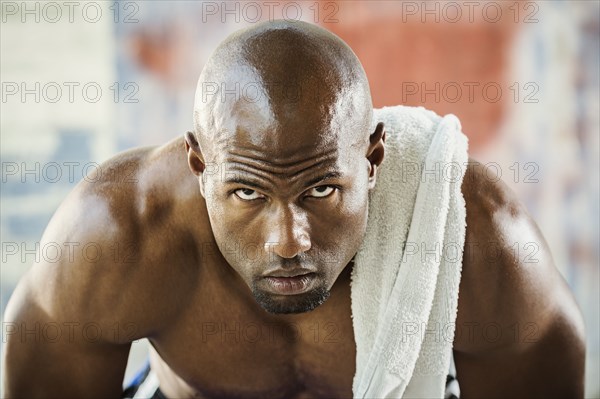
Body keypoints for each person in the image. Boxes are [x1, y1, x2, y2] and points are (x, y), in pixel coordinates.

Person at [3, 20, 585, 398]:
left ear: (374, 159)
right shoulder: (119, 234)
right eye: (250, 193)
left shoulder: (476, 240)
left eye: (322, 190)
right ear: (200, 167)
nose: (288, 241)